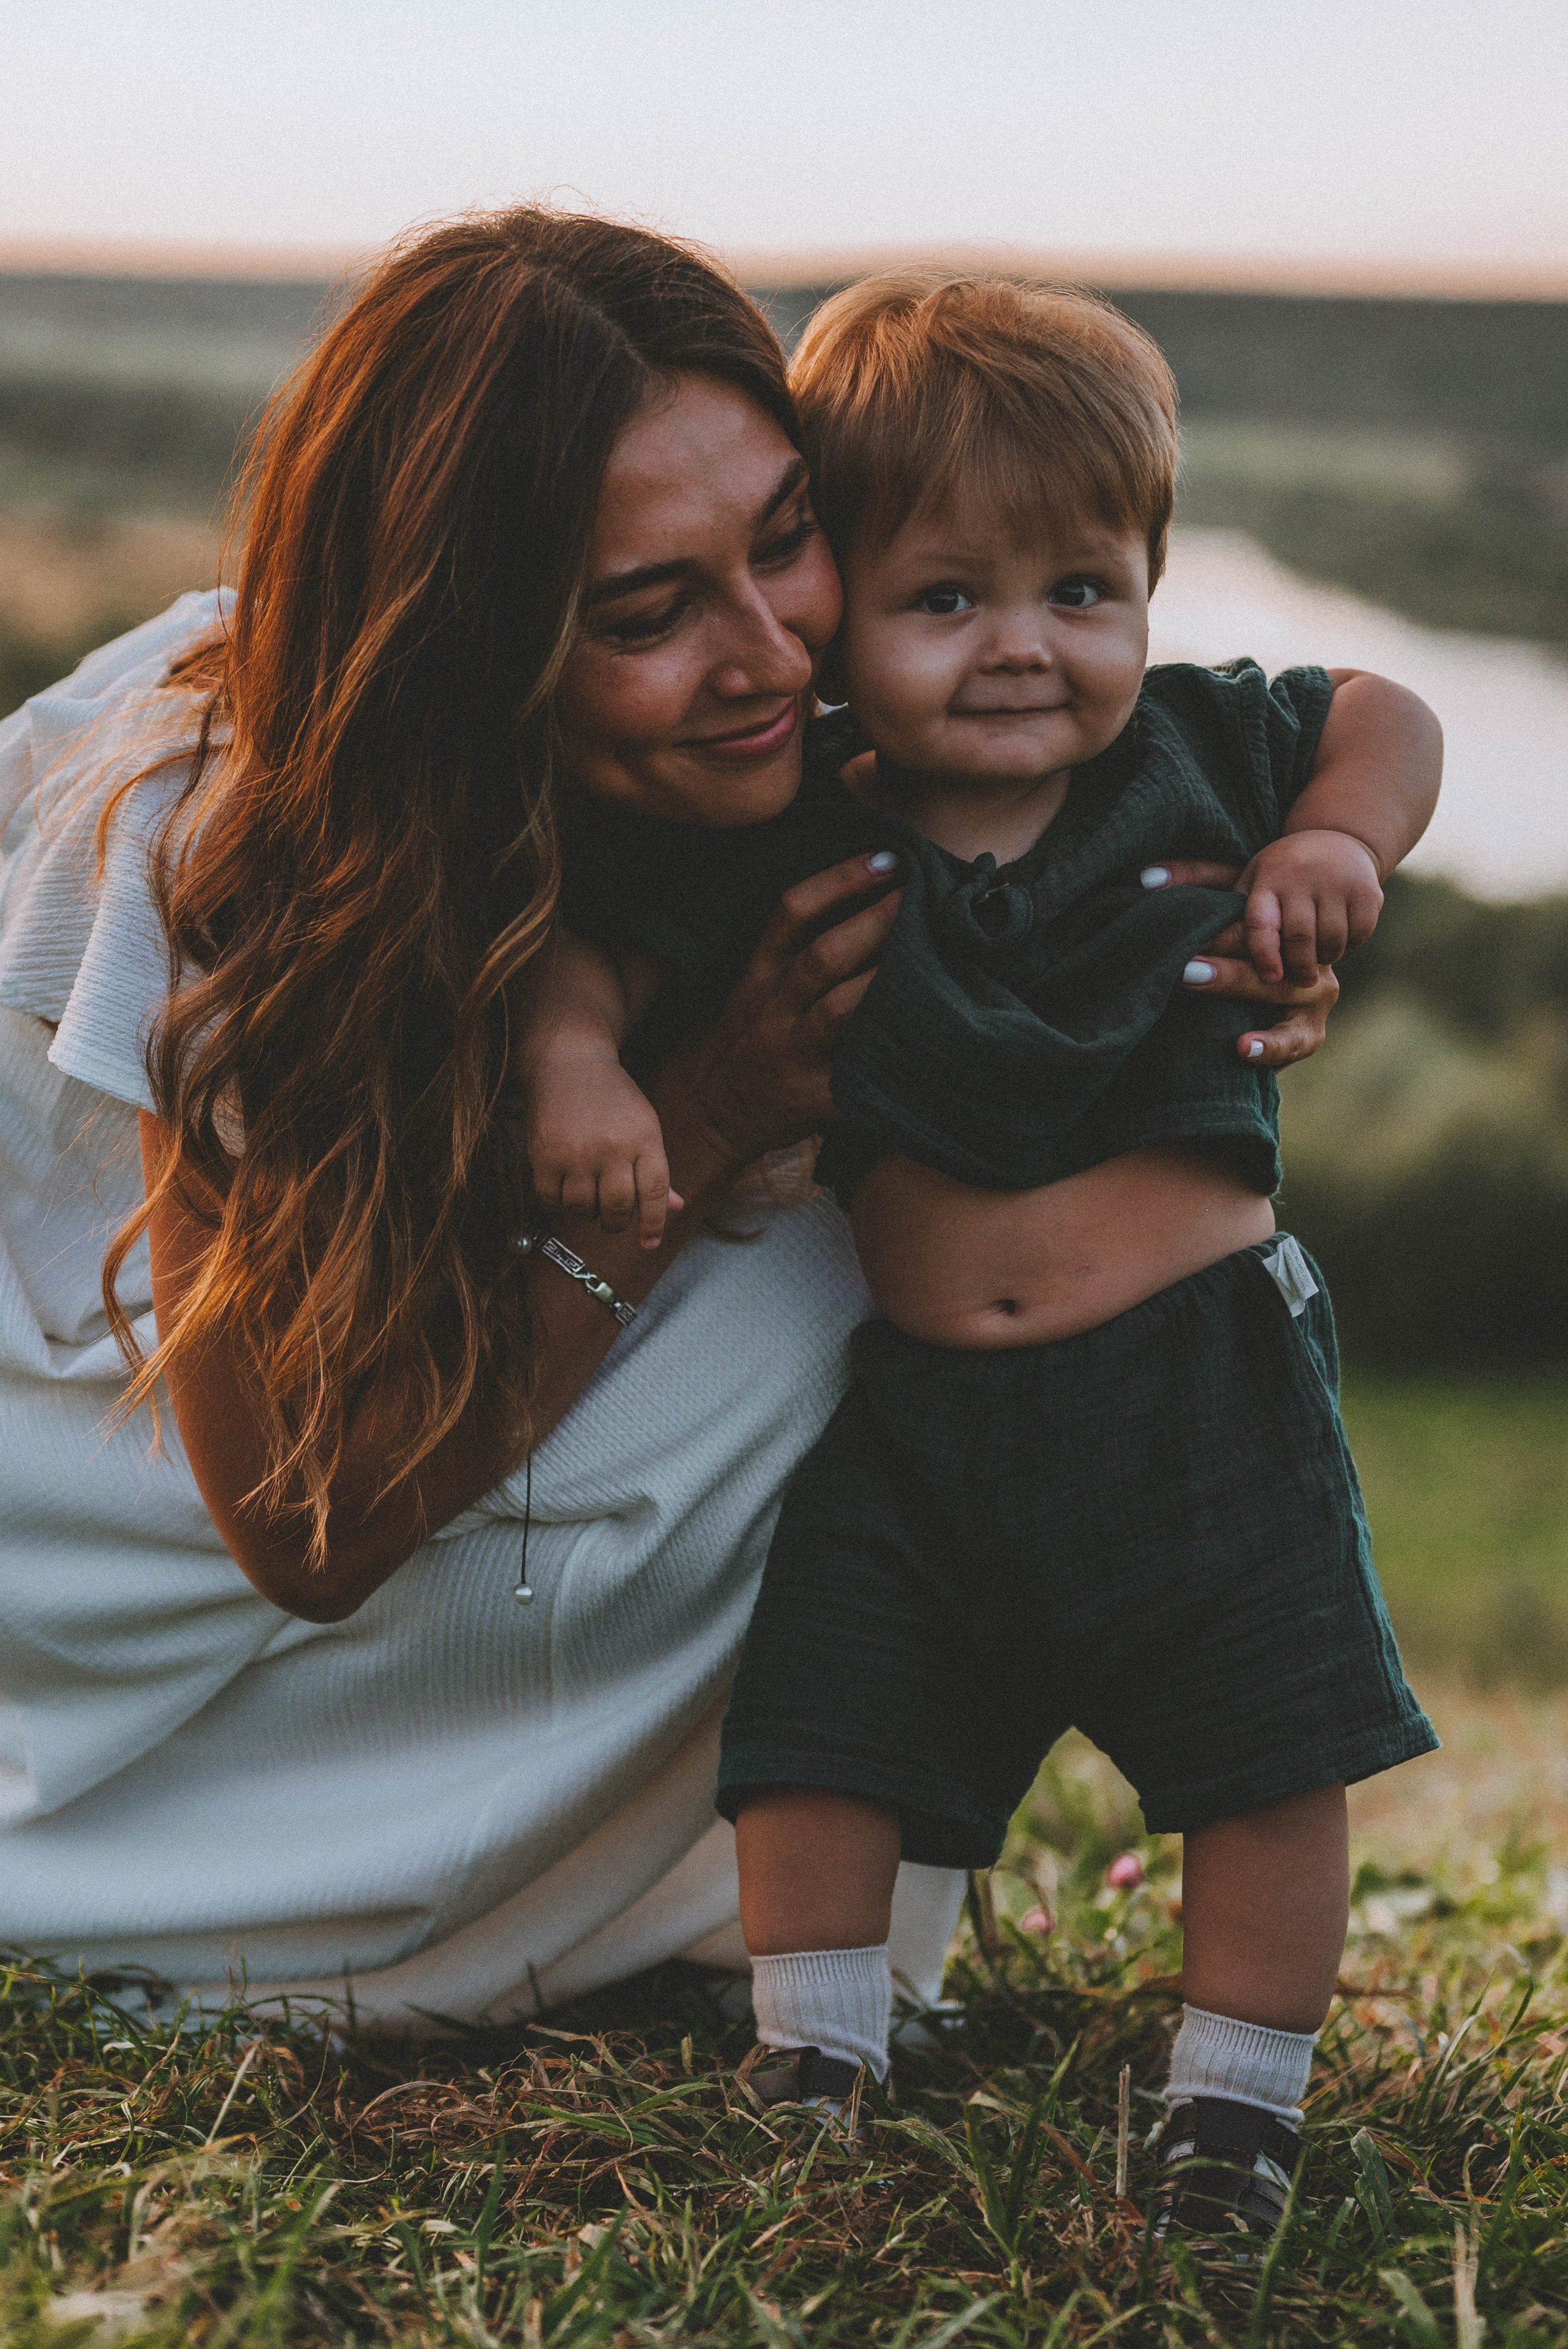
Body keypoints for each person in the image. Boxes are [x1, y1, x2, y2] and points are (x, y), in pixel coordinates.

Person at [0, 214, 1335, 2034]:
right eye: (646, 612)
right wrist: (706, 1110)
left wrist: (1221, 945)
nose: (776, 649)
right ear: (475, 652)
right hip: (123, 1568)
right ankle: (386, 1881)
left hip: (463, 1453)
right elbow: (298, 1523)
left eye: (788, 536)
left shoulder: (842, 710)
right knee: (825, 1294)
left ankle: (739, 1885)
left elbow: (1148, 808)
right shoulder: (240, 822)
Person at [516, 270, 1441, 2230]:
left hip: (1203, 1383)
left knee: (1268, 1753)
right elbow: (595, 941)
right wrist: (580, 1063)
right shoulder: (804, 819)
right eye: (948, 600)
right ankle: (817, 2054)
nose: (1025, 649)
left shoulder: (1196, 754)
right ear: (845, 593)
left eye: (1081, 593)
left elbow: (1386, 706)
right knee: (826, 1725)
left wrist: (1335, 845)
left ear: (1151, 583)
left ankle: (1236, 2099)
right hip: (923, 1402)